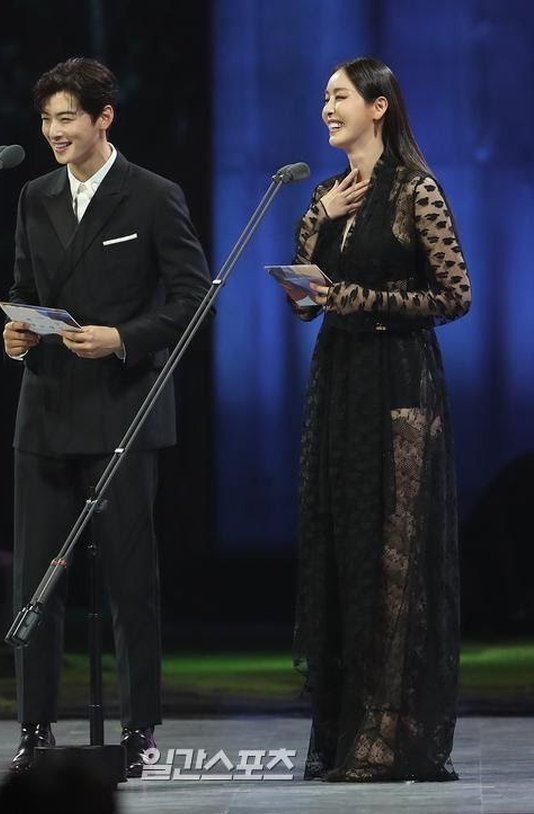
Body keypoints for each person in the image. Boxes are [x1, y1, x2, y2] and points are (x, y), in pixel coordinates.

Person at [2, 57, 211, 779]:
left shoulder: (152, 196)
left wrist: (124, 339)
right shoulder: (32, 195)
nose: (54, 132)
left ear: (103, 119)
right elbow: (24, 285)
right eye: (46, 121)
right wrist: (16, 330)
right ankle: (35, 729)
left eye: (67, 119)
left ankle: (140, 731)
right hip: (47, 413)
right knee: (37, 579)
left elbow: (192, 298)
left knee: (130, 581)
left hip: (124, 413)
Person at [286, 57, 471, 782]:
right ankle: (346, 728)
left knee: (394, 561)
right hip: (340, 385)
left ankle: (390, 736)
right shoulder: (331, 196)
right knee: (346, 551)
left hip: (400, 386)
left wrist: (361, 300)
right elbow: (306, 301)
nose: (327, 108)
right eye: (325, 98)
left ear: (378, 106)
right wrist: (315, 222)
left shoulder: (416, 191)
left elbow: (454, 297)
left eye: (338, 97)